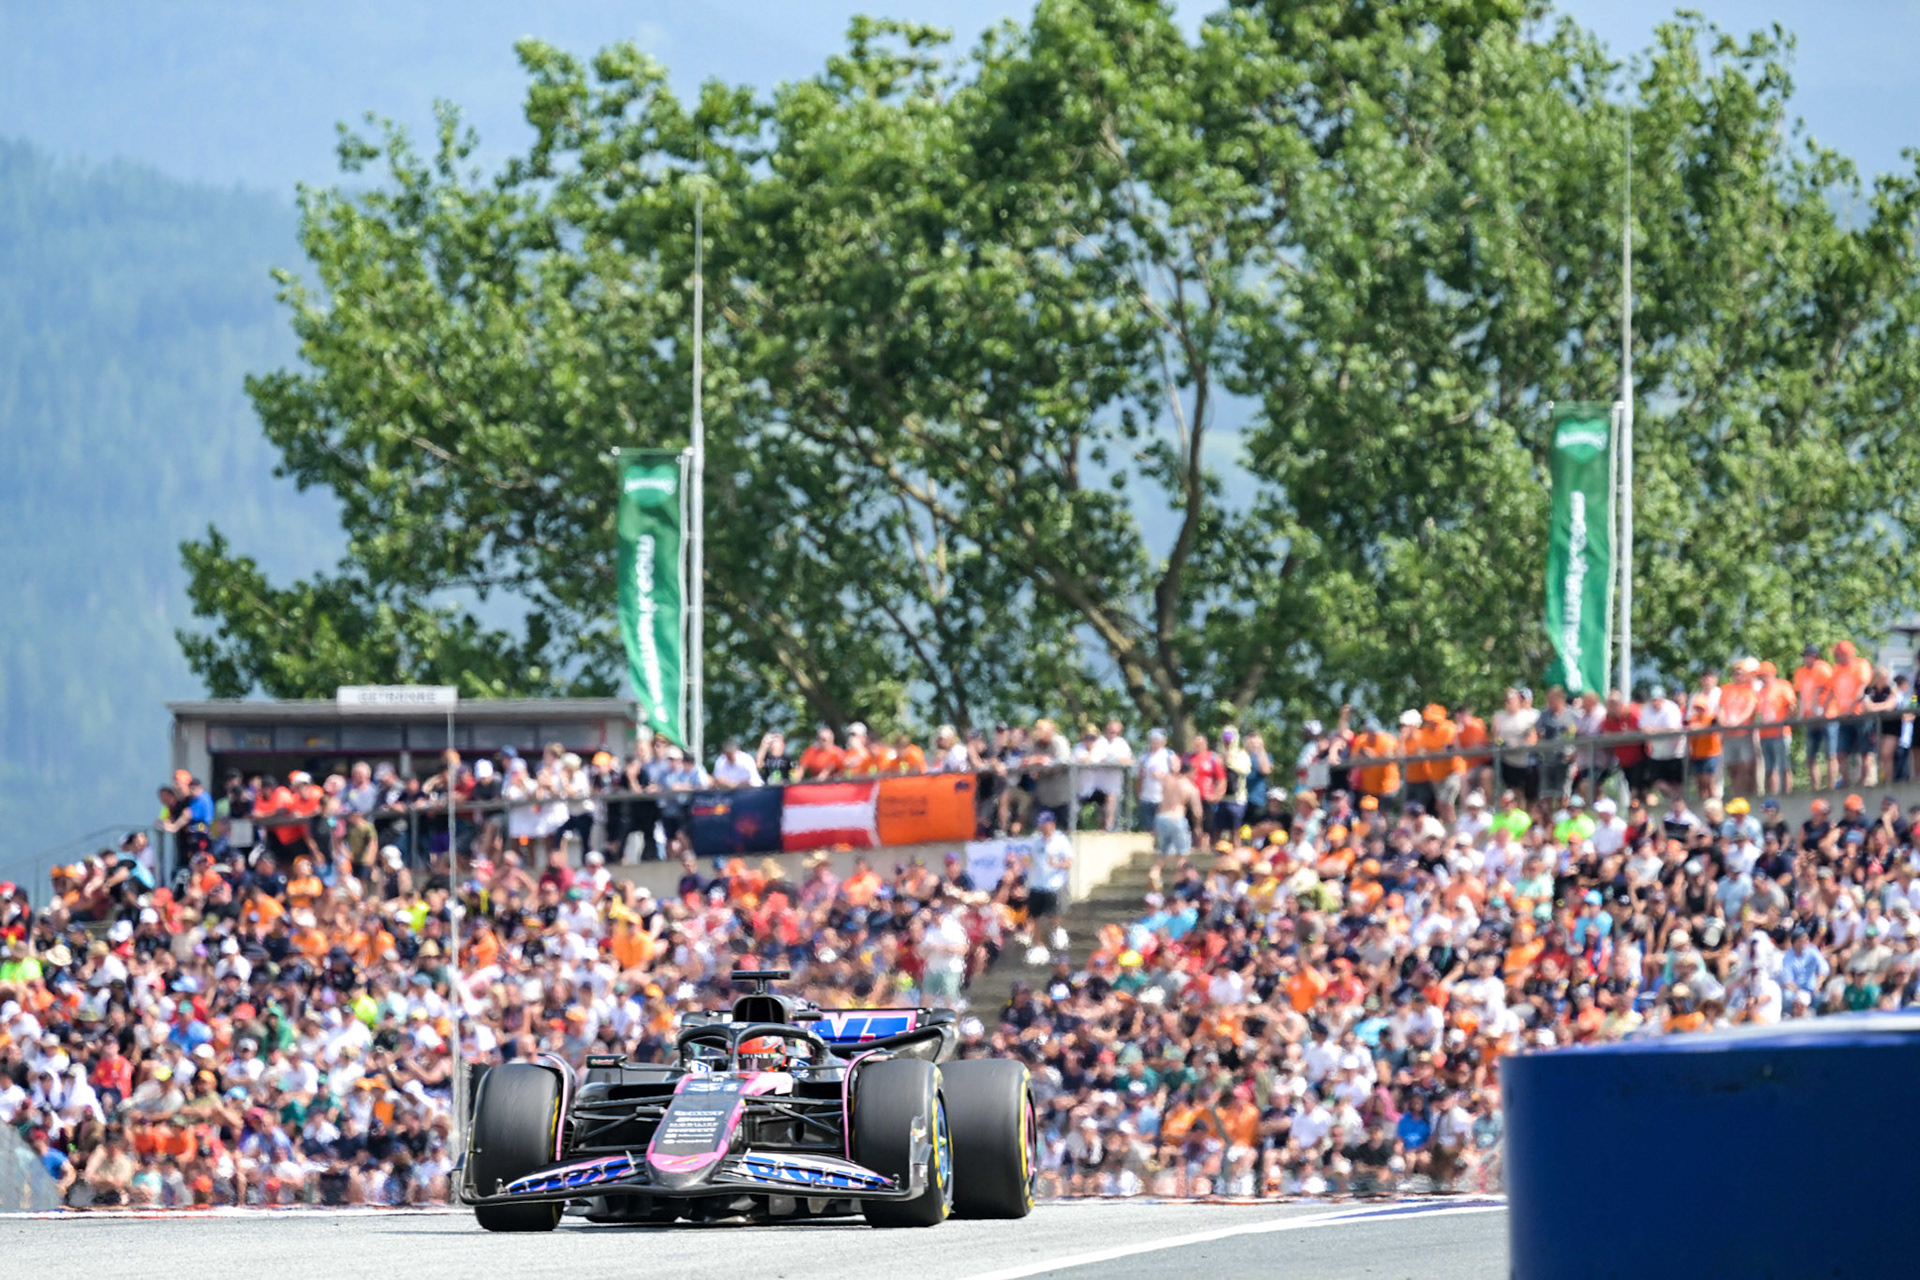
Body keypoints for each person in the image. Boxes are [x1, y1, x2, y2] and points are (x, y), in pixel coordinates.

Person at [1030, 810, 1074, 955]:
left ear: (1052, 824)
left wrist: (1058, 865)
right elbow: (1030, 859)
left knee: (1053, 913)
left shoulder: (1061, 840)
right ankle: (1038, 944)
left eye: (1045, 824)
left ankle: (1056, 932)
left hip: (1053, 883)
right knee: (1035, 915)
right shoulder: (1036, 841)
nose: (1042, 827)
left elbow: (1069, 861)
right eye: (1040, 825)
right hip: (1037, 883)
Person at [1793, 645, 1835, 790]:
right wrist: (1800, 715)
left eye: (1808, 655)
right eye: (1804, 656)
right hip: (1810, 718)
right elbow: (1802, 696)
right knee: (1811, 756)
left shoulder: (1822, 669)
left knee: (1831, 753)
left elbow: (1821, 690)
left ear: (1815, 656)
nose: (1806, 658)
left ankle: (1831, 786)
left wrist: (1820, 711)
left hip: (1826, 715)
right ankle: (1814, 787)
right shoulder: (1801, 673)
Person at [1154, 757, 1201, 859]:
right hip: (1176, 817)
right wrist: (1198, 827)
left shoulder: (1168, 780)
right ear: (1190, 772)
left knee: (1164, 852)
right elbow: (1197, 812)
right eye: (1195, 774)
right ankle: (1180, 873)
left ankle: (1155, 871)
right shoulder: (1190, 787)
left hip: (1161, 818)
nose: (1195, 777)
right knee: (1183, 854)